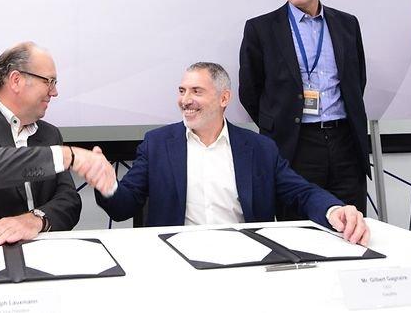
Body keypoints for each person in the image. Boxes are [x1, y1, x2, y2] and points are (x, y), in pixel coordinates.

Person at [96, 62, 369, 245]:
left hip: (246, 258)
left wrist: (334, 210)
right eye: (182, 91)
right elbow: (123, 207)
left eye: (196, 91)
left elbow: (301, 193)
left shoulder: (259, 148)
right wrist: (106, 184)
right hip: (175, 260)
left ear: (224, 98)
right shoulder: (157, 144)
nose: (185, 100)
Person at [0, 42, 115, 245]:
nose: (54, 92)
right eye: (49, 81)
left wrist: (36, 220)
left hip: (38, 252)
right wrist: (67, 156)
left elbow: (69, 201)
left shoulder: (49, 134)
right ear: (16, 80)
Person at [238, 0, 369, 217]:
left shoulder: (347, 24)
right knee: (297, 228)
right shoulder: (261, 29)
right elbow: (250, 90)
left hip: (345, 142)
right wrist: (278, 124)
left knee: (351, 225)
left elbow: (357, 81)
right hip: (294, 146)